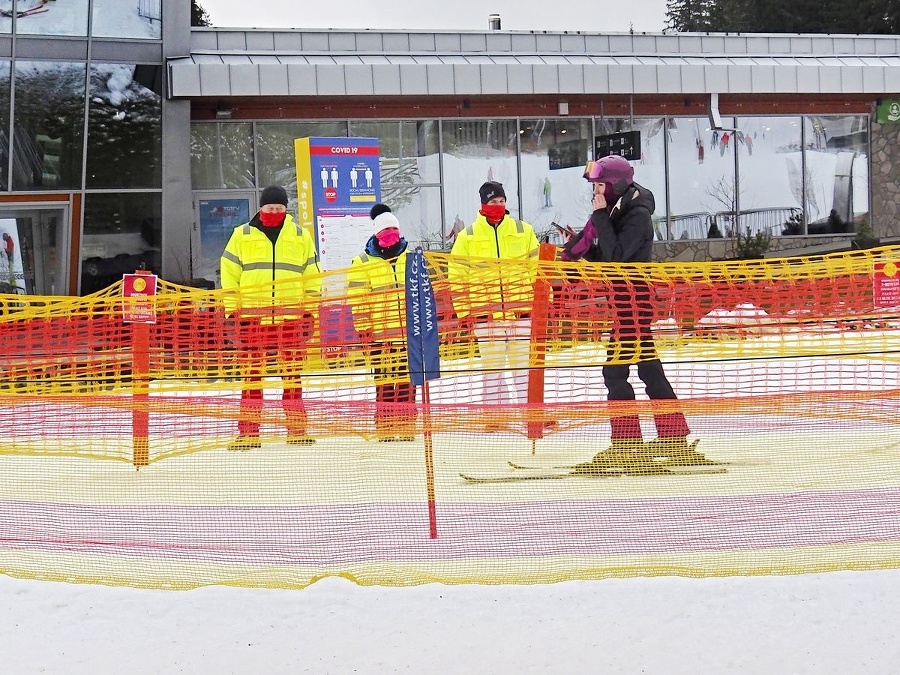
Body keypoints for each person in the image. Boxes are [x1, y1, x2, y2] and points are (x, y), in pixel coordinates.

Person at [561, 155, 710, 472]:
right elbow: (608, 255)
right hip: (624, 300)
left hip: (634, 301)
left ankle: (628, 446)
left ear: (615, 185)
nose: (596, 192)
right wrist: (582, 249)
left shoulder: (637, 214)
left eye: (600, 185)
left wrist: (600, 218)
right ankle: (673, 439)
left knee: (615, 373)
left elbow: (617, 257)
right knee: (648, 370)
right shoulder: (619, 208)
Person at [220, 185, 322, 450]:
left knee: (292, 377)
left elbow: (312, 275)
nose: (274, 212)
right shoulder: (241, 235)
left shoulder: (301, 236)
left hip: (290, 319)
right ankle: (249, 432)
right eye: (270, 208)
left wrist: (309, 311)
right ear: (261, 208)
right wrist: (232, 312)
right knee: (251, 377)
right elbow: (229, 276)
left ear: (285, 209)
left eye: (279, 208)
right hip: (252, 319)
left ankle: (297, 429)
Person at [449, 181, 540, 423]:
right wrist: (464, 313)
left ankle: (532, 414)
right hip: (486, 316)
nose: (498, 206)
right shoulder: (467, 237)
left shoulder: (524, 230)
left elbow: (539, 271)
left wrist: (542, 305)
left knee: (525, 368)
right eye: (493, 202)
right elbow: (457, 277)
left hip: (521, 313)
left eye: (501, 201)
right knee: (492, 369)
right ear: (483, 205)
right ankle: (495, 416)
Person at [347, 204, 416, 442]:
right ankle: (386, 425)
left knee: (407, 381)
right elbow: (358, 300)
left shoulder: (411, 257)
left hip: (408, 335)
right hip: (380, 336)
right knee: (385, 381)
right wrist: (364, 331)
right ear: (376, 233)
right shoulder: (363, 262)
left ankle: (407, 424)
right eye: (386, 230)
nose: (391, 234)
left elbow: (420, 295)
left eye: (394, 230)